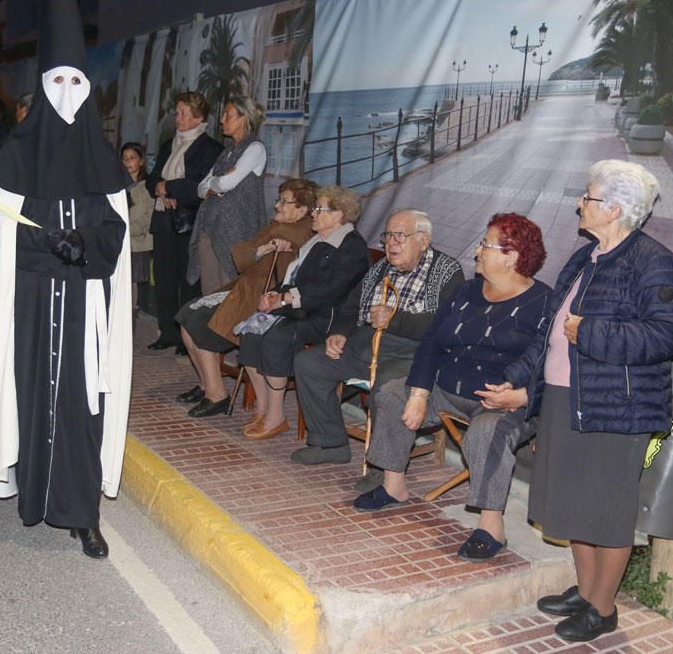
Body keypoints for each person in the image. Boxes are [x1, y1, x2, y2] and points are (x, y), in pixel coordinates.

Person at [479, 160, 673, 642]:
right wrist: (519, 383)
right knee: (574, 504)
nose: (579, 203)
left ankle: (603, 606)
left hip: (617, 410)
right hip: (566, 401)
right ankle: (587, 590)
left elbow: (664, 337)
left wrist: (589, 331)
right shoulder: (585, 257)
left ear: (613, 209)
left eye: (587, 198)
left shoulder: (653, 261)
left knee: (606, 510)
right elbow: (548, 334)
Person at [0, 0, 133, 561]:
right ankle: (35, 498)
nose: (66, 93)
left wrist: (82, 246)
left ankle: (81, 514)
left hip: (87, 306)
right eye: (55, 81)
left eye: (76, 82)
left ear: (87, 90)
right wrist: (48, 249)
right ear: (41, 88)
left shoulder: (104, 159)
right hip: (33, 306)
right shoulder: (14, 157)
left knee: (81, 410)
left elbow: (115, 239)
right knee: (34, 396)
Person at [362, 214, 549, 529]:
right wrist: (420, 394)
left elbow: (548, 360)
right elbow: (431, 343)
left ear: (512, 256)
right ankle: (394, 487)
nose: (477, 252)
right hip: (446, 388)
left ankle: (491, 526)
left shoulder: (543, 302)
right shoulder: (465, 292)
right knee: (394, 393)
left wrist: (521, 395)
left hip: (502, 400)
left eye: (485, 245)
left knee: (488, 430)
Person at [288, 209, 464, 464]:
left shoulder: (447, 272)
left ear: (423, 240)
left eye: (400, 236)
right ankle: (330, 444)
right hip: (365, 345)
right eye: (388, 236)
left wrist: (394, 318)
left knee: (386, 390)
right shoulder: (382, 268)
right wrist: (340, 333)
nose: (390, 243)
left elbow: (445, 327)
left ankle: (381, 467)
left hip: (412, 353)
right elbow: (350, 308)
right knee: (309, 363)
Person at [175, 178, 317, 417]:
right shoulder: (280, 228)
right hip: (246, 287)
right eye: (278, 199)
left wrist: (263, 249)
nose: (277, 205)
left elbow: (252, 258)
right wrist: (264, 248)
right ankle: (206, 384)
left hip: (259, 295)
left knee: (200, 323)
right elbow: (243, 253)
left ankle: (216, 394)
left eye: (284, 201)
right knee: (188, 314)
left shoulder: (298, 233)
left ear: (302, 209)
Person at [235, 185, 370, 436]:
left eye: (320, 209)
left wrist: (284, 299)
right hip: (301, 309)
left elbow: (330, 291)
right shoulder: (316, 241)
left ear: (338, 215)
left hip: (327, 318)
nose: (314, 214)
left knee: (278, 337)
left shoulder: (351, 247)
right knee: (251, 330)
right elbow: (294, 277)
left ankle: (276, 417)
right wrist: (274, 294)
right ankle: (263, 409)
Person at [145, 92, 223, 354]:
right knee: (164, 280)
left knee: (188, 283)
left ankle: (185, 337)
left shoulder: (211, 149)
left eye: (181, 113)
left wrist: (171, 188)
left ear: (198, 118)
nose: (176, 117)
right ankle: (167, 332)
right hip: (163, 220)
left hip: (189, 223)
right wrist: (160, 188)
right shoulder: (169, 144)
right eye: (176, 112)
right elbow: (151, 178)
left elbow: (202, 185)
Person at [188, 96, 267, 295]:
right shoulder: (227, 152)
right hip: (210, 228)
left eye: (227, 114)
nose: (222, 120)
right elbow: (201, 189)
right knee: (210, 294)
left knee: (229, 294)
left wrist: (217, 183)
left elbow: (226, 183)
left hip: (236, 233)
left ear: (243, 118)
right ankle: (210, 328)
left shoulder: (256, 149)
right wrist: (219, 183)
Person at [122, 141, 152, 324]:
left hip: (137, 243)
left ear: (140, 161)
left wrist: (129, 229)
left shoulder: (145, 187)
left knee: (132, 284)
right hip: (121, 242)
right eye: (124, 158)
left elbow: (147, 217)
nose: (128, 162)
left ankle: (130, 319)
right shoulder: (117, 186)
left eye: (132, 158)